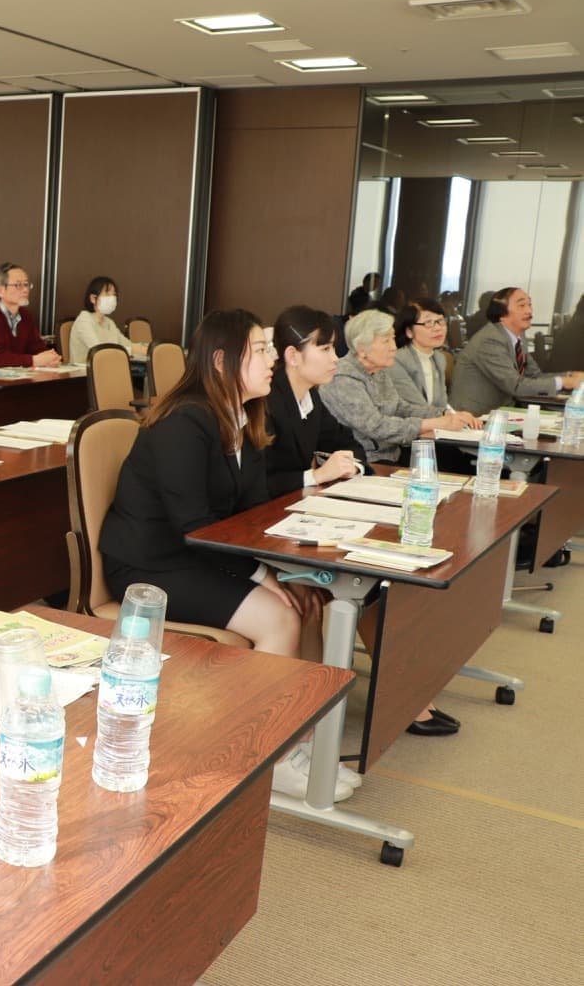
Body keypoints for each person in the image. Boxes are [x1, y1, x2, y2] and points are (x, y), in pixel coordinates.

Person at [97, 309, 356, 797]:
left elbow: (250, 513)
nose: (271, 359)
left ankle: (295, 738)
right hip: (150, 566)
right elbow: (195, 528)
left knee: (305, 597)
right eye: (259, 350)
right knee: (279, 618)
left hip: (198, 554)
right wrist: (263, 576)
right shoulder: (184, 422)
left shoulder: (245, 416)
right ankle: (262, 755)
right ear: (221, 361)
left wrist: (282, 570)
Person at [320, 311, 476, 465]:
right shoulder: (342, 378)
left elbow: (400, 407)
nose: (393, 347)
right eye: (385, 341)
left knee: (454, 461)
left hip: (392, 454)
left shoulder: (378, 371)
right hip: (361, 461)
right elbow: (375, 426)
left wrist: (443, 414)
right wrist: (434, 423)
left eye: (393, 338)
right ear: (362, 349)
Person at [264, 306, 365, 497]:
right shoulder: (267, 401)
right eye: (325, 349)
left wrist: (352, 466)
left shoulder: (311, 396)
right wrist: (317, 476)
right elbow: (259, 481)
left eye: (333, 348)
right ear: (293, 356)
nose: (335, 358)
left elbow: (348, 443)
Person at [449, 288, 584, 415]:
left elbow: (534, 376)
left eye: (529, 305)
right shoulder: (490, 340)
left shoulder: (517, 336)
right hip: (473, 418)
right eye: (521, 305)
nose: (529, 311)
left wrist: (570, 375)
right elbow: (515, 386)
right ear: (501, 314)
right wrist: (564, 381)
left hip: (503, 413)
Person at [391, 298, 458, 414]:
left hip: (434, 422)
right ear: (409, 331)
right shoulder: (396, 360)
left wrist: (452, 415)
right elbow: (414, 407)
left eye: (440, 321)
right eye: (428, 323)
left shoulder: (439, 358)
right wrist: (447, 416)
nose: (438, 328)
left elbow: (441, 404)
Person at [68, 275, 145, 362]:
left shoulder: (109, 322)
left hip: (108, 365)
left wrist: (144, 348)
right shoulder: (84, 320)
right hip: (85, 369)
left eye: (114, 294)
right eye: (107, 294)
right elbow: (99, 350)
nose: (112, 298)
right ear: (93, 298)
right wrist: (130, 350)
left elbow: (127, 344)